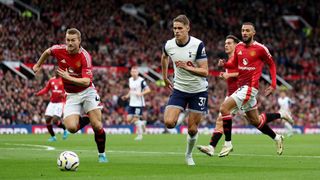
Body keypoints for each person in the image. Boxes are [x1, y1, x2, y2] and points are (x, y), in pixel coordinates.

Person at [197, 35, 293, 157]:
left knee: (223, 114)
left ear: (236, 45)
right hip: (236, 93)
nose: (226, 45)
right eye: (225, 43)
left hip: (243, 91)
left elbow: (246, 71)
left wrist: (229, 75)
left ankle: (219, 145)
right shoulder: (231, 59)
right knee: (256, 121)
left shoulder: (242, 55)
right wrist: (225, 65)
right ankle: (278, 130)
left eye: (229, 43)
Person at [33, 28, 108, 163]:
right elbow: (47, 52)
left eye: (73, 40)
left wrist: (68, 77)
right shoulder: (59, 50)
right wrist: (38, 65)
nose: (70, 43)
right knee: (71, 128)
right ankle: (87, 118)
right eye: (68, 40)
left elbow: (87, 81)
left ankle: (101, 154)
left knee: (97, 126)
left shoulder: (85, 56)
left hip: (88, 92)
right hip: (72, 95)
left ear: (79, 41)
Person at [218, 22, 285, 156]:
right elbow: (234, 63)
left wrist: (273, 84)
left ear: (253, 33)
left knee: (224, 109)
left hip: (250, 87)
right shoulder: (238, 47)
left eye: (248, 30)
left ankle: (228, 144)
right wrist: (224, 63)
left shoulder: (260, 48)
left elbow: (271, 65)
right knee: (255, 121)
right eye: (243, 30)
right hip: (242, 87)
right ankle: (277, 137)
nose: (244, 33)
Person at [161, 14, 208, 166]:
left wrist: (186, 67)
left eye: (180, 28)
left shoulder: (197, 45)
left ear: (188, 28)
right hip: (180, 89)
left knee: (192, 130)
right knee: (169, 122)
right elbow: (164, 57)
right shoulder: (169, 45)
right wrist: (164, 76)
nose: (177, 31)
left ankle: (188, 155)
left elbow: (205, 71)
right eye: (174, 28)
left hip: (198, 90)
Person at [36, 71, 68, 142]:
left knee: (55, 120)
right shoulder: (51, 80)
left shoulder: (64, 80)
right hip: (52, 102)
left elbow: (68, 91)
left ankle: (65, 129)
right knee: (47, 119)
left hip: (60, 103)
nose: (57, 72)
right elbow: (46, 89)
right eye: (56, 71)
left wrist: (64, 95)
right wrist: (38, 93)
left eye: (58, 71)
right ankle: (53, 137)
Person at [121, 66, 151, 141]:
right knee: (128, 120)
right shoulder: (130, 80)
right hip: (132, 103)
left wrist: (141, 93)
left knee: (135, 120)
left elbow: (148, 90)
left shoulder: (141, 80)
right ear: (131, 72)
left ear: (138, 73)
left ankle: (140, 136)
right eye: (132, 72)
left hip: (139, 103)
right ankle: (142, 123)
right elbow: (131, 90)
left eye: (135, 72)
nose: (134, 73)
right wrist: (126, 96)